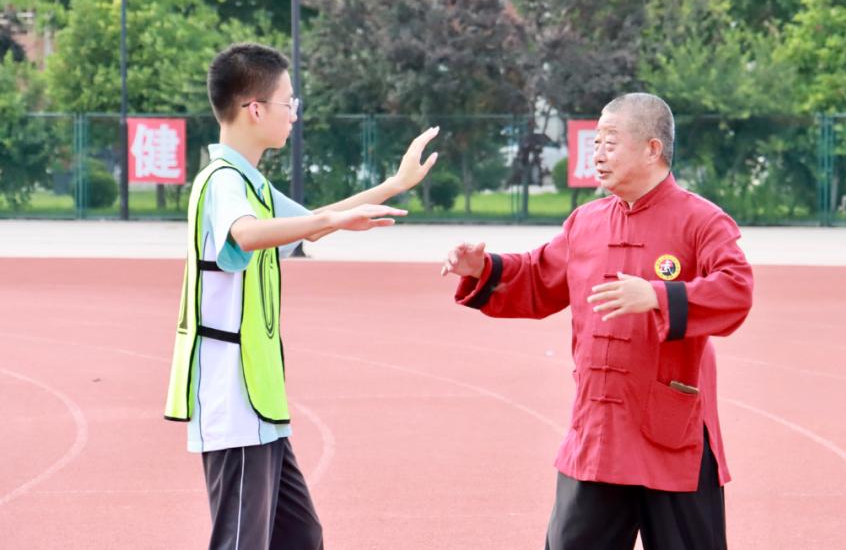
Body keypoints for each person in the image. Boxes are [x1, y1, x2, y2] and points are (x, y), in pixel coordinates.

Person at [441, 93, 753, 550]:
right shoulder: (584, 223)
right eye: (596, 141)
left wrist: (658, 294)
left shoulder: (702, 221)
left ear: (652, 149)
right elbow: (538, 275)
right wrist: (482, 268)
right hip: (599, 433)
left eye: (610, 141)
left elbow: (737, 289)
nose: (597, 154)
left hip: (673, 435)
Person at [164, 42, 439, 550]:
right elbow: (246, 235)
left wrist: (393, 185)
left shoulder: (253, 186)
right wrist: (329, 221)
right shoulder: (222, 183)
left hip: (260, 398)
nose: (294, 114)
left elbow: (313, 220)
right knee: (243, 540)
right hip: (233, 398)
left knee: (299, 535)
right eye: (289, 102)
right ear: (254, 109)